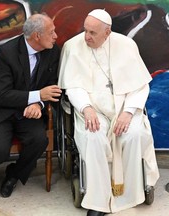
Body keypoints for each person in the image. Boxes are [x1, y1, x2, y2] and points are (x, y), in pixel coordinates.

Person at [58, 9, 159, 216]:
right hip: (92, 110)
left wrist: (129, 112)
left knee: (134, 134)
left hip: (125, 109)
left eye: (93, 33)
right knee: (93, 136)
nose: (87, 37)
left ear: (107, 32)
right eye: (85, 31)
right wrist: (86, 108)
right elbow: (73, 87)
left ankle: (131, 194)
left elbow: (140, 86)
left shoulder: (127, 45)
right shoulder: (72, 47)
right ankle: (98, 201)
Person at [0, 13, 62, 198]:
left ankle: (14, 175)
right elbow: (2, 95)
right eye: (52, 32)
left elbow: (52, 86)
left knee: (39, 140)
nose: (56, 36)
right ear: (37, 36)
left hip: (29, 110)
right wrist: (38, 95)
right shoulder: (6, 52)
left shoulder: (53, 51)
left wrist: (38, 104)